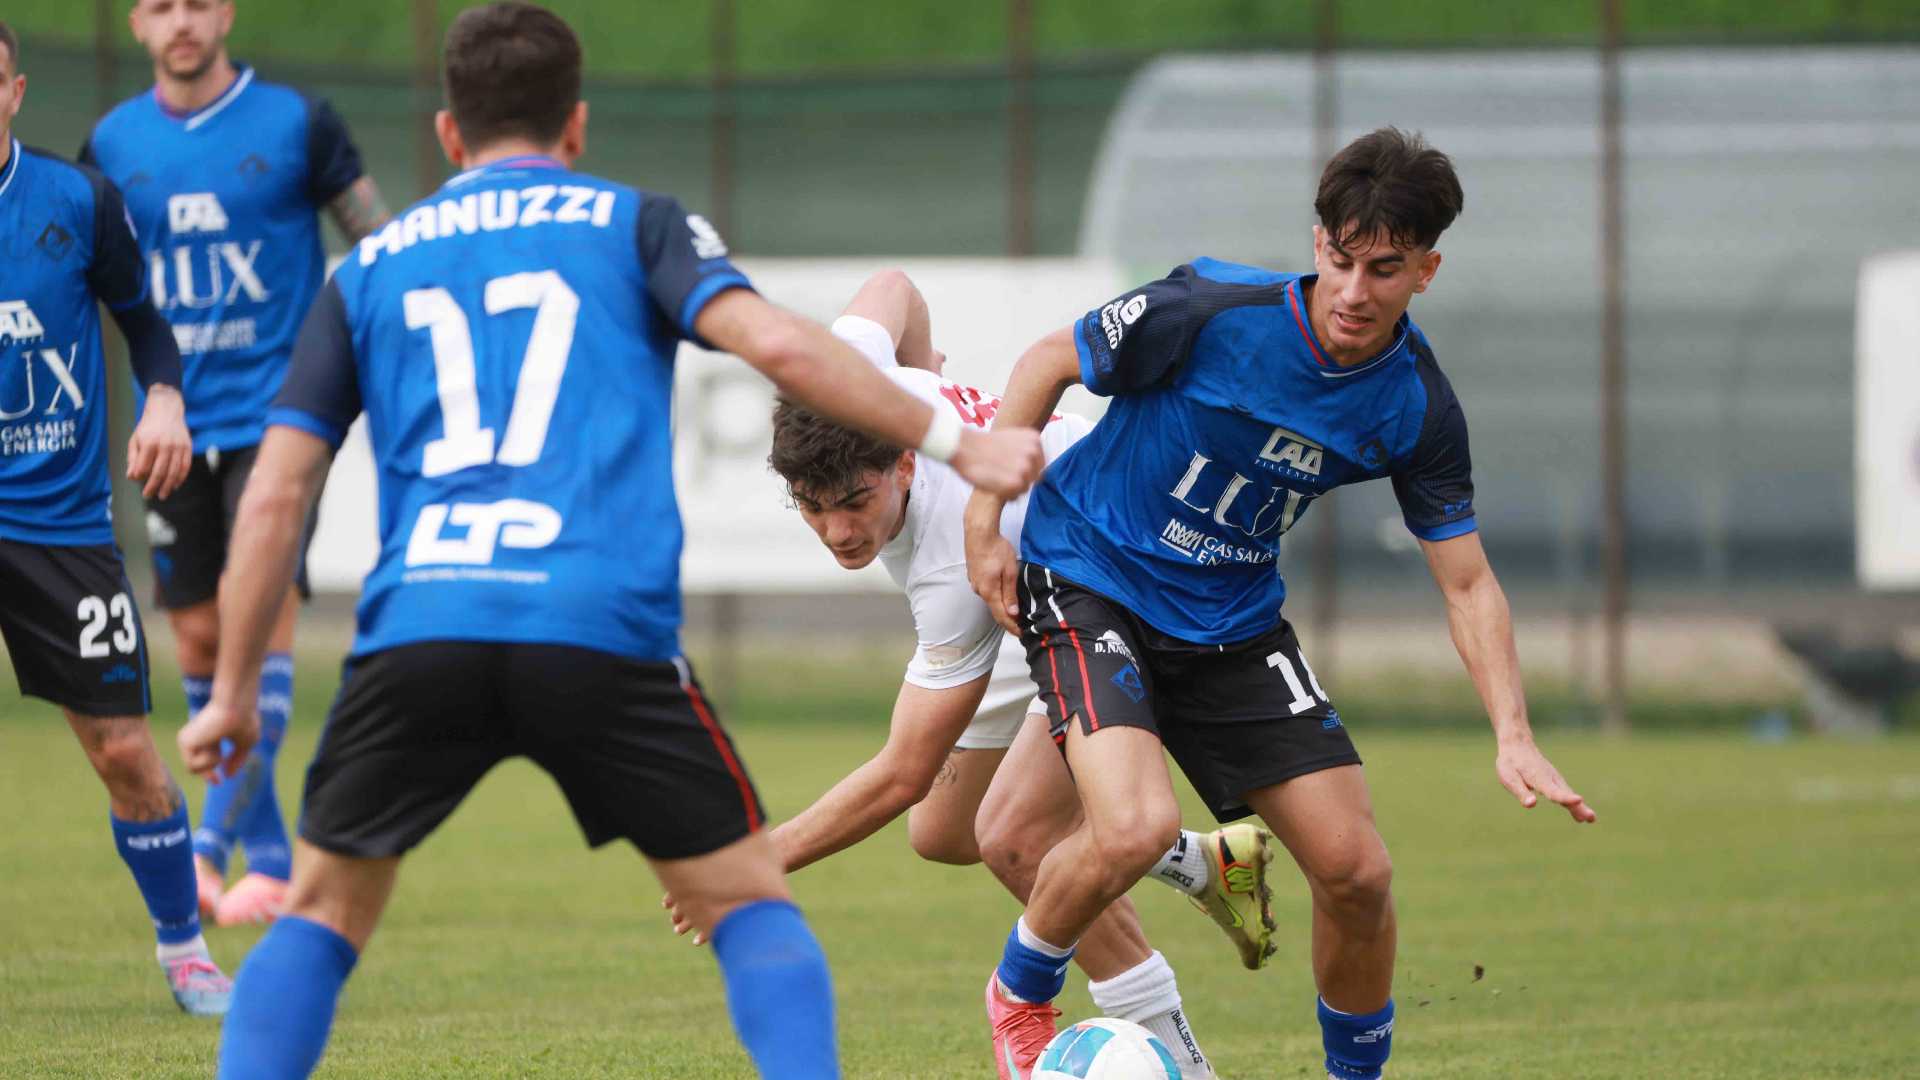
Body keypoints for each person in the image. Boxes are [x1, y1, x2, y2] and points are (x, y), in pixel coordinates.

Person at [174, 5, 1042, 1078]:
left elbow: (275, 494)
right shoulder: (638, 226)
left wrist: (223, 694)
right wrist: (960, 438)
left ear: (449, 134)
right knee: (749, 908)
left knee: (321, 913)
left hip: (424, 622)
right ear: (575, 125)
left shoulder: (367, 270)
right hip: (596, 625)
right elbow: (777, 343)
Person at [962, 128, 1599, 1080]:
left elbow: (1467, 581)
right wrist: (985, 518)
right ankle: (1019, 998)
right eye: (1340, 260)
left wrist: (1513, 733)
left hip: (1231, 624)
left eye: (1384, 270)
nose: (1354, 291)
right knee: (1129, 828)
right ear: (1316, 245)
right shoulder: (1211, 310)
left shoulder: (1414, 404)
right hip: (1092, 574)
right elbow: (1048, 361)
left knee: (1357, 873)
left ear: (1426, 271)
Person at [677, 269, 1278, 1079]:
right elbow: (894, 287)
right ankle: (1202, 864)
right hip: (1020, 593)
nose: (837, 530)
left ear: (901, 464)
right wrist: (925, 367)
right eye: (810, 505)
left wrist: (749, 864)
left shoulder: (945, 569)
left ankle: (1180, 1058)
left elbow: (900, 772)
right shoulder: (855, 373)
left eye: (854, 501)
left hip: (1115, 577)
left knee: (1018, 839)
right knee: (944, 832)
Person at [80, 0, 393, 926]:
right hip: (171, 426)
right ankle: (269, 856)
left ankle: (208, 853)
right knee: (205, 644)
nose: (182, 20)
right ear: (139, 22)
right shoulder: (111, 143)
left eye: (198, 1)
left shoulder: (299, 123)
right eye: (160, 5)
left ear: (226, 13)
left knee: (256, 630)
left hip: (281, 422)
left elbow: (376, 238)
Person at [0, 21, 233, 1015]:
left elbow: (145, 324)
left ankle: (185, 951)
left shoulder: (76, 201)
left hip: (58, 528)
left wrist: (167, 399)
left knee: (126, 753)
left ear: (10, 92)